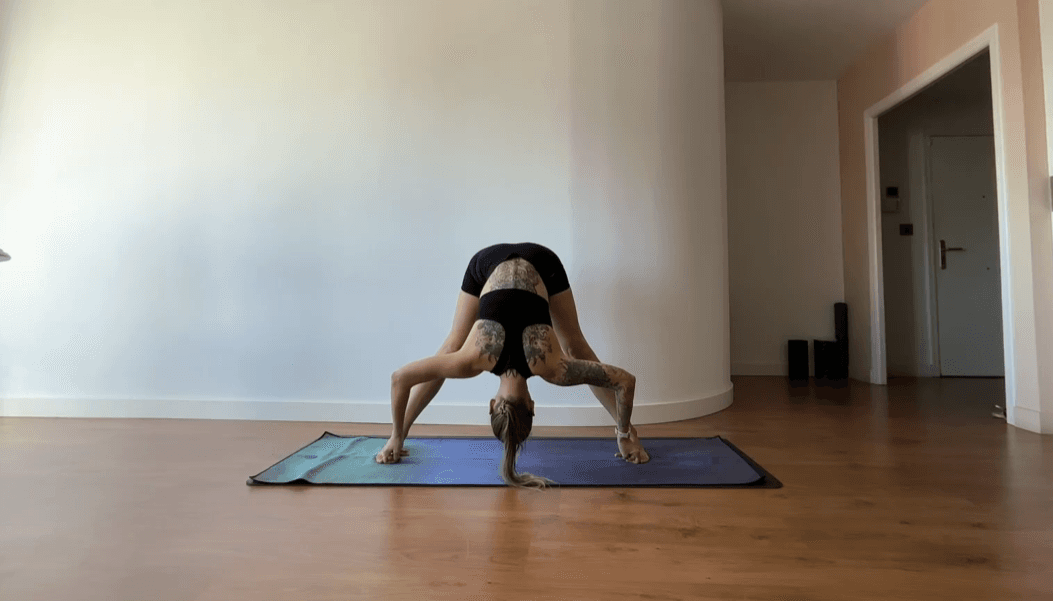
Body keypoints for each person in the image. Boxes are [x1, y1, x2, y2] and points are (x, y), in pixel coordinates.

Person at [375, 242, 650, 489]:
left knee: (452, 347)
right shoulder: (472, 360)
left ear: (532, 406)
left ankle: (399, 437)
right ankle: (399, 437)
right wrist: (396, 434)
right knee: (573, 347)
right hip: (494, 262)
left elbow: (624, 382)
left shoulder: (553, 367)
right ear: (491, 405)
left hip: (540, 263)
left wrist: (624, 431)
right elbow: (399, 378)